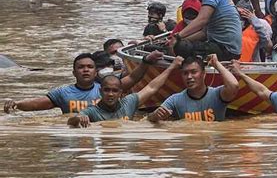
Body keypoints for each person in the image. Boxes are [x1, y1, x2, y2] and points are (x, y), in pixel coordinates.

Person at [3, 51, 163, 114]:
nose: (85, 70)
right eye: (81, 67)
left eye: (89, 67)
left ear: (95, 71)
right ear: (74, 72)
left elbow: (133, 79)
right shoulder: (63, 93)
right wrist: (16, 103)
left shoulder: (107, 89)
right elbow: (37, 104)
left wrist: (145, 61)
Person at [67, 57, 183, 127]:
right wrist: (77, 119)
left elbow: (151, 88)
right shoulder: (92, 111)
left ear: (121, 93)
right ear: (100, 92)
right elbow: (72, 121)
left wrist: (171, 67)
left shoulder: (129, 102)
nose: (110, 94)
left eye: (114, 91)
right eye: (107, 90)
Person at [172, 0, 242, 61]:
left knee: (182, 47)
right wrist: (182, 39)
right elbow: (204, 33)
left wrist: (178, 37)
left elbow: (202, 20)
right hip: (226, 48)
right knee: (183, 43)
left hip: (226, 50)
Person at [147, 54, 239, 122]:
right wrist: (155, 116)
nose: (189, 77)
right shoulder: (175, 100)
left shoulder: (218, 94)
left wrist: (217, 64)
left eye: (194, 72)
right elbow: (148, 119)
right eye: (185, 73)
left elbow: (234, 85)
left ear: (203, 74)